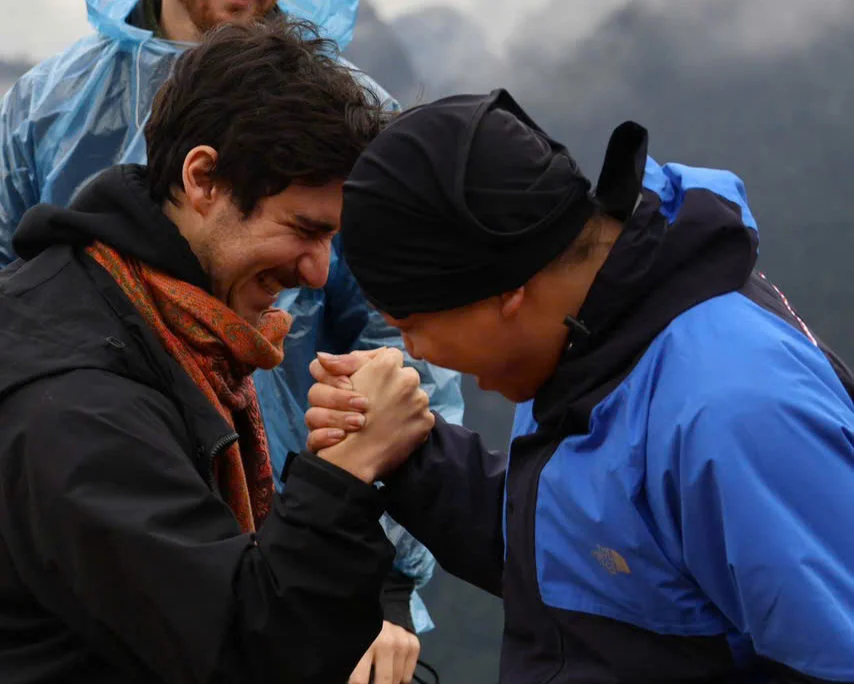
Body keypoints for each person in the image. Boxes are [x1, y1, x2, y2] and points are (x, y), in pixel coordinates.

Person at [305, 89, 854, 683]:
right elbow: (593, 553)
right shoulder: (591, 340)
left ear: (503, 293)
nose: (412, 351)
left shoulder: (734, 413)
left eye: (413, 325)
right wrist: (408, 451)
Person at [0, 0, 462, 675]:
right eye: (304, 230)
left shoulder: (162, 324)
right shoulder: (81, 409)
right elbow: (242, 649)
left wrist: (385, 586)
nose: (319, 271)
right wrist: (345, 474)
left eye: (336, 236)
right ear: (202, 179)